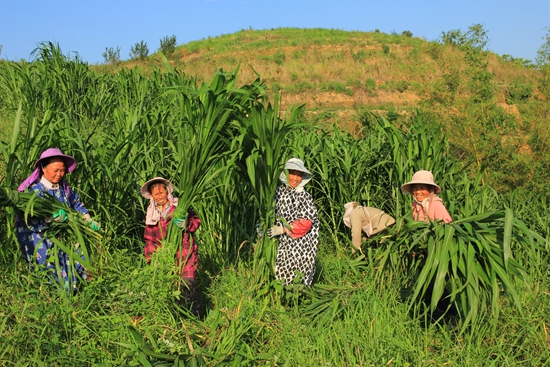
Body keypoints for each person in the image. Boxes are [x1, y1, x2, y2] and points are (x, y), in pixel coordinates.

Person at [16, 148, 100, 290]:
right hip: (43, 238)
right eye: (55, 170)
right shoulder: (35, 191)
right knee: (49, 268)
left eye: (62, 170)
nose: (59, 174)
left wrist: (88, 219)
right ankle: (51, 298)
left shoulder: (64, 189)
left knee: (76, 259)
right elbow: (28, 217)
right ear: (43, 168)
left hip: (64, 236)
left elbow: (77, 204)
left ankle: (78, 292)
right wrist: (50, 220)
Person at [140, 177, 203, 318]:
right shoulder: (152, 215)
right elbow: (149, 239)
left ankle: (198, 319)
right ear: (152, 196)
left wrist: (187, 223)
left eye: (162, 192)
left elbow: (195, 220)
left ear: (168, 191)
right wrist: (152, 256)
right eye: (156, 194)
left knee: (188, 284)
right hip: (165, 257)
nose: (160, 196)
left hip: (185, 252)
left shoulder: (179, 208)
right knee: (172, 288)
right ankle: (179, 320)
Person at [267, 158, 319, 286]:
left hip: (301, 244)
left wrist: (283, 230)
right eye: (292, 173)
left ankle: (296, 297)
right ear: (285, 173)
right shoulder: (278, 192)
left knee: (296, 272)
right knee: (279, 268)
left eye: (299, 174)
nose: (295, 178)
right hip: (281, 241)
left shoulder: (304, 196)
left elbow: (306, 223)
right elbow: (269, 212)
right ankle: (281, 296)